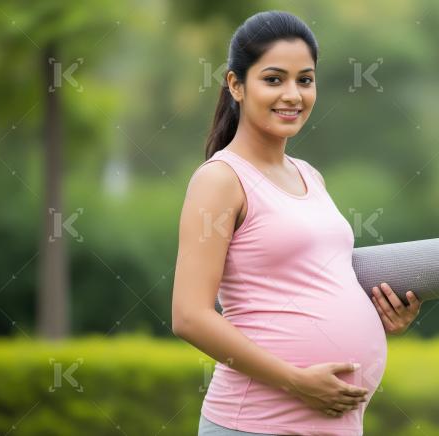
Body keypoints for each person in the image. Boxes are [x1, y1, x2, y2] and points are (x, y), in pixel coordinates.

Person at [170, 11, 422, 436]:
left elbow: (311, 285)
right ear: (236, 85)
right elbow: (189, 316)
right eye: (273, 79)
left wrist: (380, 317)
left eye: (305, 80)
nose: (292, 95)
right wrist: (295, 381)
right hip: (256, 424)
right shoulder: (220, 180)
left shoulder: (310, 176)